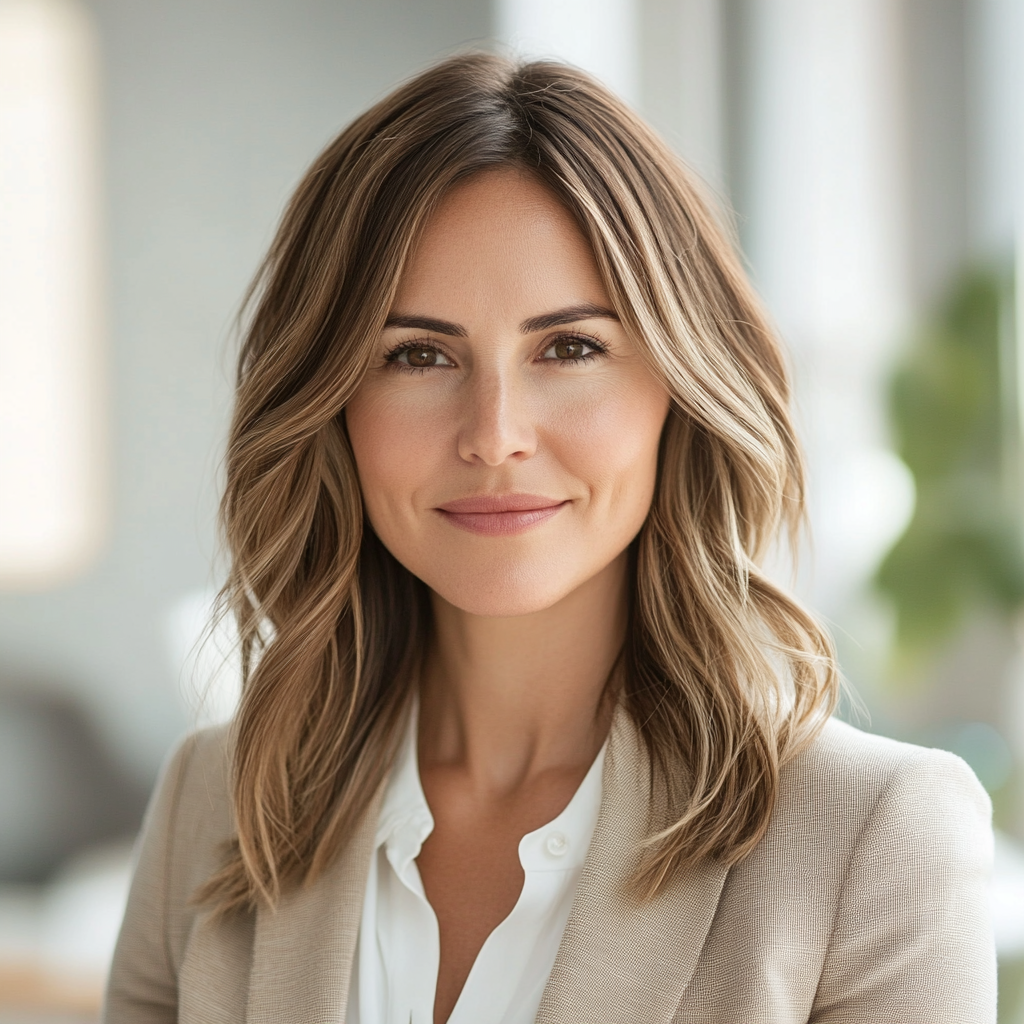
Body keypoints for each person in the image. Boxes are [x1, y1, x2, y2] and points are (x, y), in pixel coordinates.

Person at [103, 54, 996, 1024]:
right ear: (332, 405)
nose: (494, 433)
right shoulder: (214, 804)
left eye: (568, 348)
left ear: (679, 384)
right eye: (417, 354)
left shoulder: (873, 836)